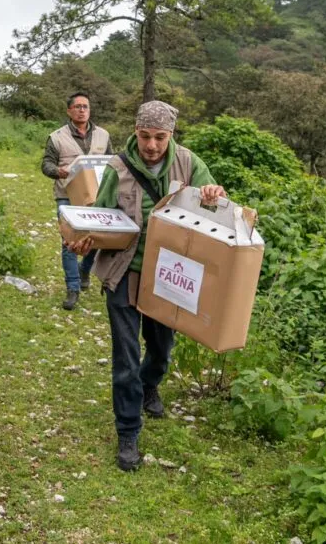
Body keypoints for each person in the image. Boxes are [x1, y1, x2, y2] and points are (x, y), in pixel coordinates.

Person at [67, 100, 226, 472]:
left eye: (159, 137)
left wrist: (212, 197)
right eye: (144, 136)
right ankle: (128, 432)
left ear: (171, 135)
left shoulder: (189, 163)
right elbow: (101, 219)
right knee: (125, 359)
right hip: (123, 273)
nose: (151, 145)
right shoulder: (118, 168)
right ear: (135, 132)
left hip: (169, 276)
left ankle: (149, 384)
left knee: (161, 350)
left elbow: (216, 211)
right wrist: (85, 241)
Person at [41, 92, 113, 311]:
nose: (82, 110)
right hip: (67, 196)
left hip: (96, 197)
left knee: (96, 240)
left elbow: (113, 162)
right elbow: (46, 165)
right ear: (69, 111)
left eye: (86, 107)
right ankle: (72, 288)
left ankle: (85, 270)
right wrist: (59, 172)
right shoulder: (56, 137)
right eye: (78, 107)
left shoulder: (103, 135)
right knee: (69, 243)